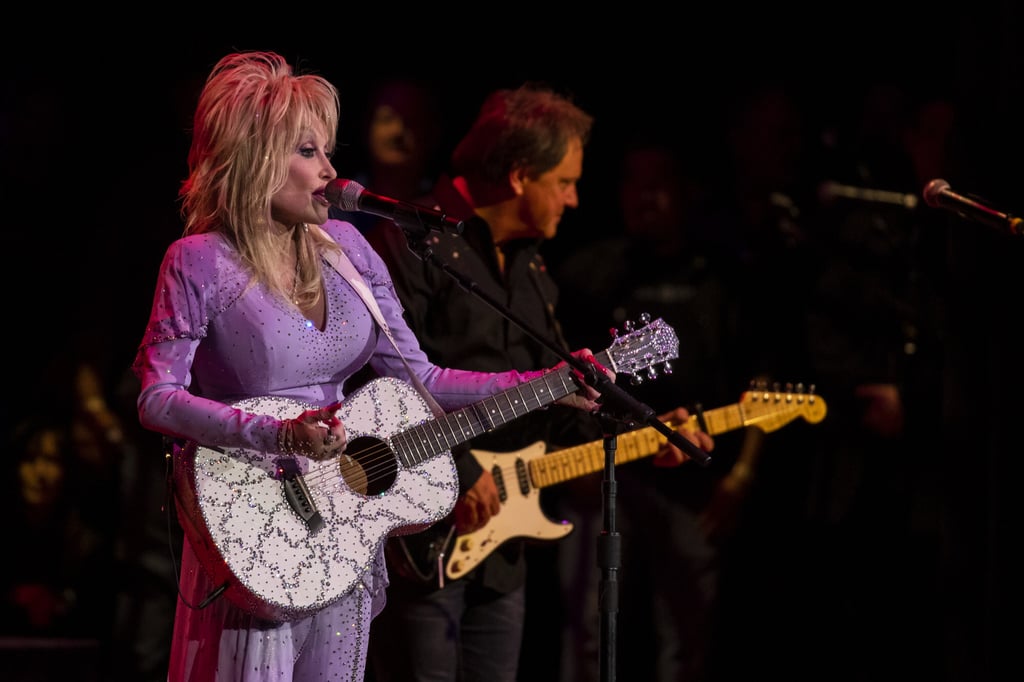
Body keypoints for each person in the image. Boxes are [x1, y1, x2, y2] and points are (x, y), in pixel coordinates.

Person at [131, 51, 614, 682]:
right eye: (309, 151)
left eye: (329, 150)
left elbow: (427, 380)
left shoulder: (351, 250)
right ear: (254, 159)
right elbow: (156, 399)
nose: (331, 170)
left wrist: (546, 387)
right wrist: (277, 432)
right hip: (253, 520)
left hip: (343, 529)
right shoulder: (198, 261)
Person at [357, 84, 714, 682]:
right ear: (521, 176)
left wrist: (647, 431)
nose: (574, 200)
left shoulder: (531, 268)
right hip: (417, 536)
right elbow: (374, 382)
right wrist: (461, 472)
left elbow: (556, 408)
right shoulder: (407, 243)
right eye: (565, 182)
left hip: (505, 552)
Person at [332, 77, 443, 234]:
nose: (397, 131)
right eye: (387, 118)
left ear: (432, 132)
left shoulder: (443, 206)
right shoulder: (338, 208)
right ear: (366, 127)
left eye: (411, 120)